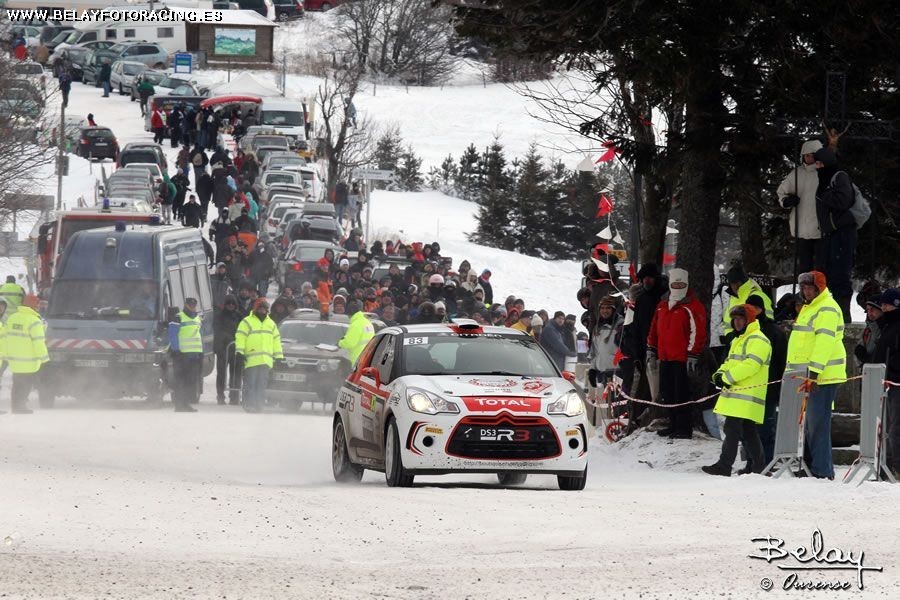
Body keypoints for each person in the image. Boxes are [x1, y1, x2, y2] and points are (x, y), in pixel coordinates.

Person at [786, 271, 846, 479]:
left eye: (810, 288)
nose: (806, 291)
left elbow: (824, 342)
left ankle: (822, 470)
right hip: (809, 375)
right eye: (803, 288)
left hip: (822, 376)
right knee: (810, 423)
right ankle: (812, 465)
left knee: (817, 422)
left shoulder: (826, 308)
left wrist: (814, 371)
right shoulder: (811, 307)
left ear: (819, 288)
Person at [702, 304, 772, 476]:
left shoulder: (759, 340)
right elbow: (729, 362)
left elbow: (751, 365)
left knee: (732, 428)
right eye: (735, 319)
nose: (737, 322)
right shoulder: (738, 339)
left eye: (741, 319)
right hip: (738, 393)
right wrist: (718, 375)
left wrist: (726, 378)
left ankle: (724, 465)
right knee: (748, 431)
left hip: (747, 394)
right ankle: (759, 467)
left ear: (749, 320)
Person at [647, 268, 708, 439]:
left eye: (681, 285)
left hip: (682, 358)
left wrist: (693, 353)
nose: (678, 287)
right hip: (665, 356)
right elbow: (654, 328)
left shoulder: (693, 306)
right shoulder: (662, 305)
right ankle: (673, 423)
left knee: (681, 394)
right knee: (667, 392)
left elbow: (698, 332)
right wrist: (651, 348)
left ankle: (684, 428)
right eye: (675, 284)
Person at [813, 145, 856, 323]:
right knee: (826, 273)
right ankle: (831, 313)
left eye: (820, 163)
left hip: (842, 233)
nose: (817, 167)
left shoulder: (839, 177)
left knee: (840, 275)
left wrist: (825, 193)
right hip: (830, 233)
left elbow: (843, 201)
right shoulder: (826, 180)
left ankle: (843, 316)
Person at [746, 294, 788, 469]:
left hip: (769, 386)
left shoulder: (773, 331)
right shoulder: (745, 330)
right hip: (749, 387)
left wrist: (778, 384)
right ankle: (752, 463)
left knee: (765, 429)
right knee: (749, 429)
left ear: (760, 309)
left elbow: (781, 360)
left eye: (752, 308)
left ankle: (767, 463)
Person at [777, 139, 824, 273]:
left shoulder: (825, 173)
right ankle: (804, 286)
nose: (809, 158)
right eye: (806, 155)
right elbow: (781, 192)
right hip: (802, 229)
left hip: (821, 229)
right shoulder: (796, 174)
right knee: (804, 268)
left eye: (812, 155)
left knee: (821, 268)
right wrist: (786, 201)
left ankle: (821, 286)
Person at [235, 299, 282, 413]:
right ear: (255, 309)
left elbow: (276, 341)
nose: (262, 310)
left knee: (261, 385)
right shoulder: (246, 322)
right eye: (260, 308)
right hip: (251, 360)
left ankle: (259, 405)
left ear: (267, 310)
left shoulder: (271, 324)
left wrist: (279, 356)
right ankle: (249, 404)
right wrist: (240, 352)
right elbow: (240, 337)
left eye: (264, 308)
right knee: (250, 384)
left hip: (265, 361)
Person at [871, 289, 900, 477]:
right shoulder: (886, 327)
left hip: (895, 382)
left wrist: (891, 369)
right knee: (888, 427)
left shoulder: (895, 326)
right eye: (882, 305)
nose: (883, 308)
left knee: (895, 427)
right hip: (885, 381)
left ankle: (895, 466)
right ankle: (887, 465)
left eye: (886, 305)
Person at [3, 295, 49, 414]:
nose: (39, 307)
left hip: (14, 359)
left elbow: (5, 336)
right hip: (29, 360)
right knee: (26, 384)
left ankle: (15, 406)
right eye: (37, 305)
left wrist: (5, 354)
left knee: (17, 383)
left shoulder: (12, 317)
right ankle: (20, 407)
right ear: (33, 306)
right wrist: (44, 359)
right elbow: (38, 341)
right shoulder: (34, 321)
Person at [721, 263, 773, 341]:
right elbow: (727, 323)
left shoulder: (758, 296)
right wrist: (730, 337)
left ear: (736, 283)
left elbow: (768, 325)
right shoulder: (733, 298)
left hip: (755, 341)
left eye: (731, 284)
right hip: (736, 343)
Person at [168, 298, 203, 412]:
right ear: (185, 305)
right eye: (190, 305)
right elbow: (173, 334)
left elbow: (199, 335)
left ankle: (186, 404)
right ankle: (179, 405)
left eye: (194, 305)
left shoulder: (197, 318)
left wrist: (201, 352)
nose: (192, 307)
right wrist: (176, 350)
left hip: (194, 355)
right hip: (182, 355)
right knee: (180, 380)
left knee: (190, 381)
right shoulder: (178, 317)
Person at [588, 297, 623, 389]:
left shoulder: (621, 326)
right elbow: (594, 352)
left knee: (617, 398)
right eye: (602, 308)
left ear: (613, 309)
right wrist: (592, 370)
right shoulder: (597, 328)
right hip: (601, 373)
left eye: (608, 308)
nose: (604, 311)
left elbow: (626, 350)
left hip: (617, 372)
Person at [214, 295, 243, 405]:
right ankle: (220, 395)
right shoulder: (220, 316)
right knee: (221, 373)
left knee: (235, 373)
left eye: (232, 304)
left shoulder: (239, 316)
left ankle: (234, 395)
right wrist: (225, 340)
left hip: (236, 348)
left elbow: (243, 330)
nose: (231, 306)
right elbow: (217, 330)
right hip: (223, 348)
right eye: (228, 303)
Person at [339, 300, 375, 365]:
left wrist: (340, 343)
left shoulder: (355, 324)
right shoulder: (368, 322)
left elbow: (349, 343)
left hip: (358, 360)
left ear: (349, 313)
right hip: (368, 359)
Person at [854, 298, 884, 367]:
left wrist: (868, 360)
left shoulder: (886, 328)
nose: (869, 313)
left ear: (881, 310)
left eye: (872, 309)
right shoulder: (868, 327)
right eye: (867, 310)